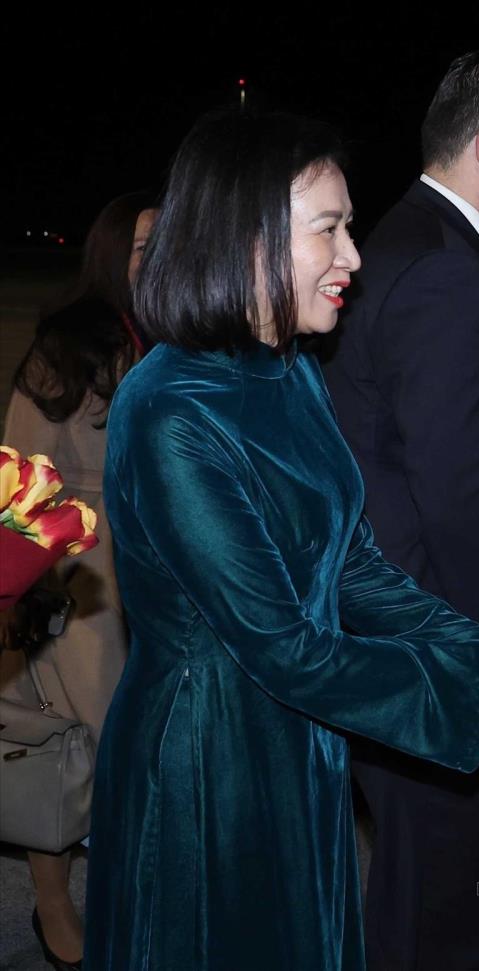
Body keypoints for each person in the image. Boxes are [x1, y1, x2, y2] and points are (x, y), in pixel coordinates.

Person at [81, 108, 479, 971]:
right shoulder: (171, 410)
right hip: (211, 766)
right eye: (329, 229)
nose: (354, 257)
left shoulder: (289, 371)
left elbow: (355, 568)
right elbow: (285, 647)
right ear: (247, 238)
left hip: (300, 742)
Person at [322, 47, 479, 970]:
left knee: (416, 895)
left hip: (409, 647)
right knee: (443, 916)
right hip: (446, 660)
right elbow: (465, 501)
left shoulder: (421, 243)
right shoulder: (441, 269)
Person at [1, 189, 155, 970]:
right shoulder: (65, 347)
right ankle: (54, 904)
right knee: (68, 749)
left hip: (161, 574)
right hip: (85, 582)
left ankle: (133, 894)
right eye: (143, 246)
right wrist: (27, 595)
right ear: (110, 254)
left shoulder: (181, 329)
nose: (158, 260)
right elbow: (23, 481)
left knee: (145, 752)